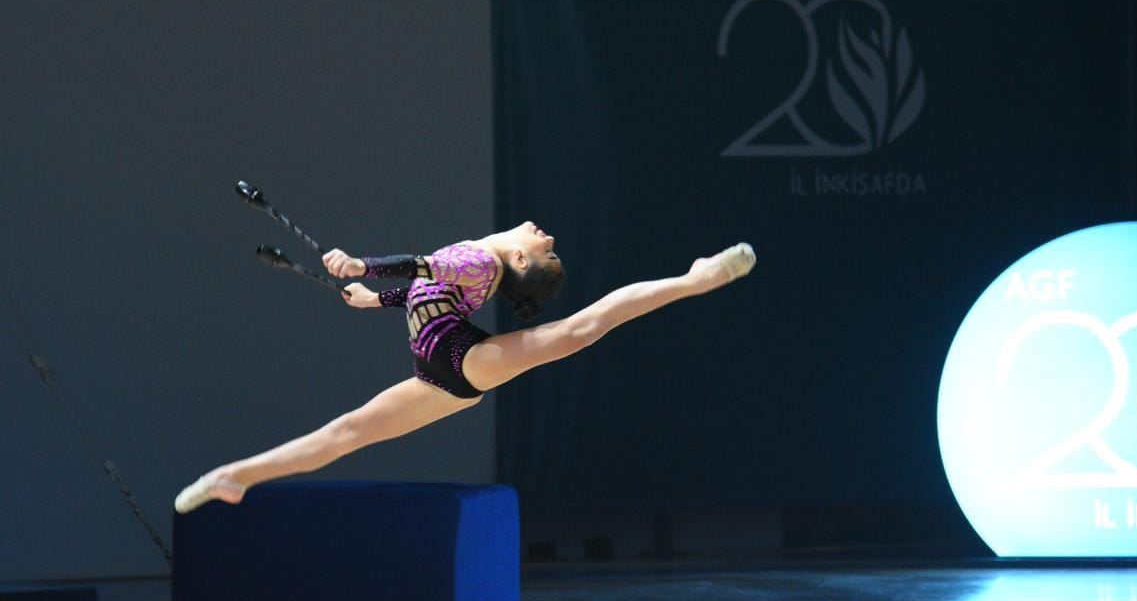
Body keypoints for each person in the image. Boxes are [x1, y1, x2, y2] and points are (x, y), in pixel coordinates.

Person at [174, 221, 755, 512]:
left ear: (520, 257)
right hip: (439, 375)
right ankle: (236, 477)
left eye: (546, 247)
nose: (548, 234)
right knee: (345, 433)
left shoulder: (479, 259)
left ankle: (695, 279)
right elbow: (428, 291)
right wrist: (377, 299)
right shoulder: (479, 269)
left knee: (578, 331)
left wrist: (362, 265)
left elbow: (419, 267)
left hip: (460, 358)